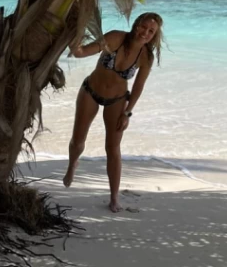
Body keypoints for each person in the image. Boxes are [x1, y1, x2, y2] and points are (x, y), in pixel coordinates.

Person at [63, 12, 163, 212]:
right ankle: (73, 164)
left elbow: (138, 87)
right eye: (144, 27)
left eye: (151, 31)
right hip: (90, 92)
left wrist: (127, 113)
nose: (146, 33)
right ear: (136, 24)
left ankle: (114, 198)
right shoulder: (116, 38)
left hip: (117, 101)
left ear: (154, 36)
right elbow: (82, 52)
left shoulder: (146, 57)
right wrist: (74, 40)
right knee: (78, 141)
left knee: (113, 149)